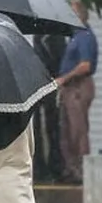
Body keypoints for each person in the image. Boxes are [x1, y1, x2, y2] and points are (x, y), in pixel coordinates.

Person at [55, 0, 99, 184]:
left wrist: (64, 78)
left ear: (80, 15)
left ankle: (82, 171)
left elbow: (85, 65)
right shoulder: (74, 36)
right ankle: (71, 169)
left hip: (78, 87)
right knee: (66, 131)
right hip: (69, 88)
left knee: (78, 131)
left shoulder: (84, 36)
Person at [31, 34, 66, 183]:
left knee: (52, 129)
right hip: (37, 87)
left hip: (51, 85)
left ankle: (54, 167)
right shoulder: (38, 39)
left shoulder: (55, 39)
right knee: (38, 130)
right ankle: (40, 168)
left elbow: (58, 62)